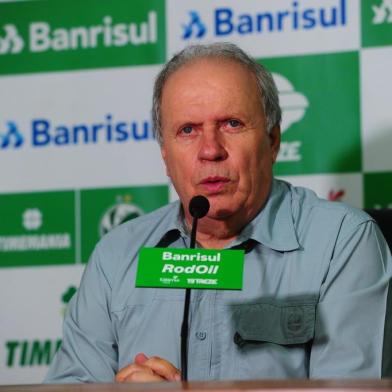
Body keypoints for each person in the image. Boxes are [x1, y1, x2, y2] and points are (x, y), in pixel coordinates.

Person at [45, 42, 392, 383]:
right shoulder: (116, 256)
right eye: (187, 130)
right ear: (166, 155)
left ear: (272, 141)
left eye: (232, 124)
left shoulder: (341, 244)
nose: (210, 150)